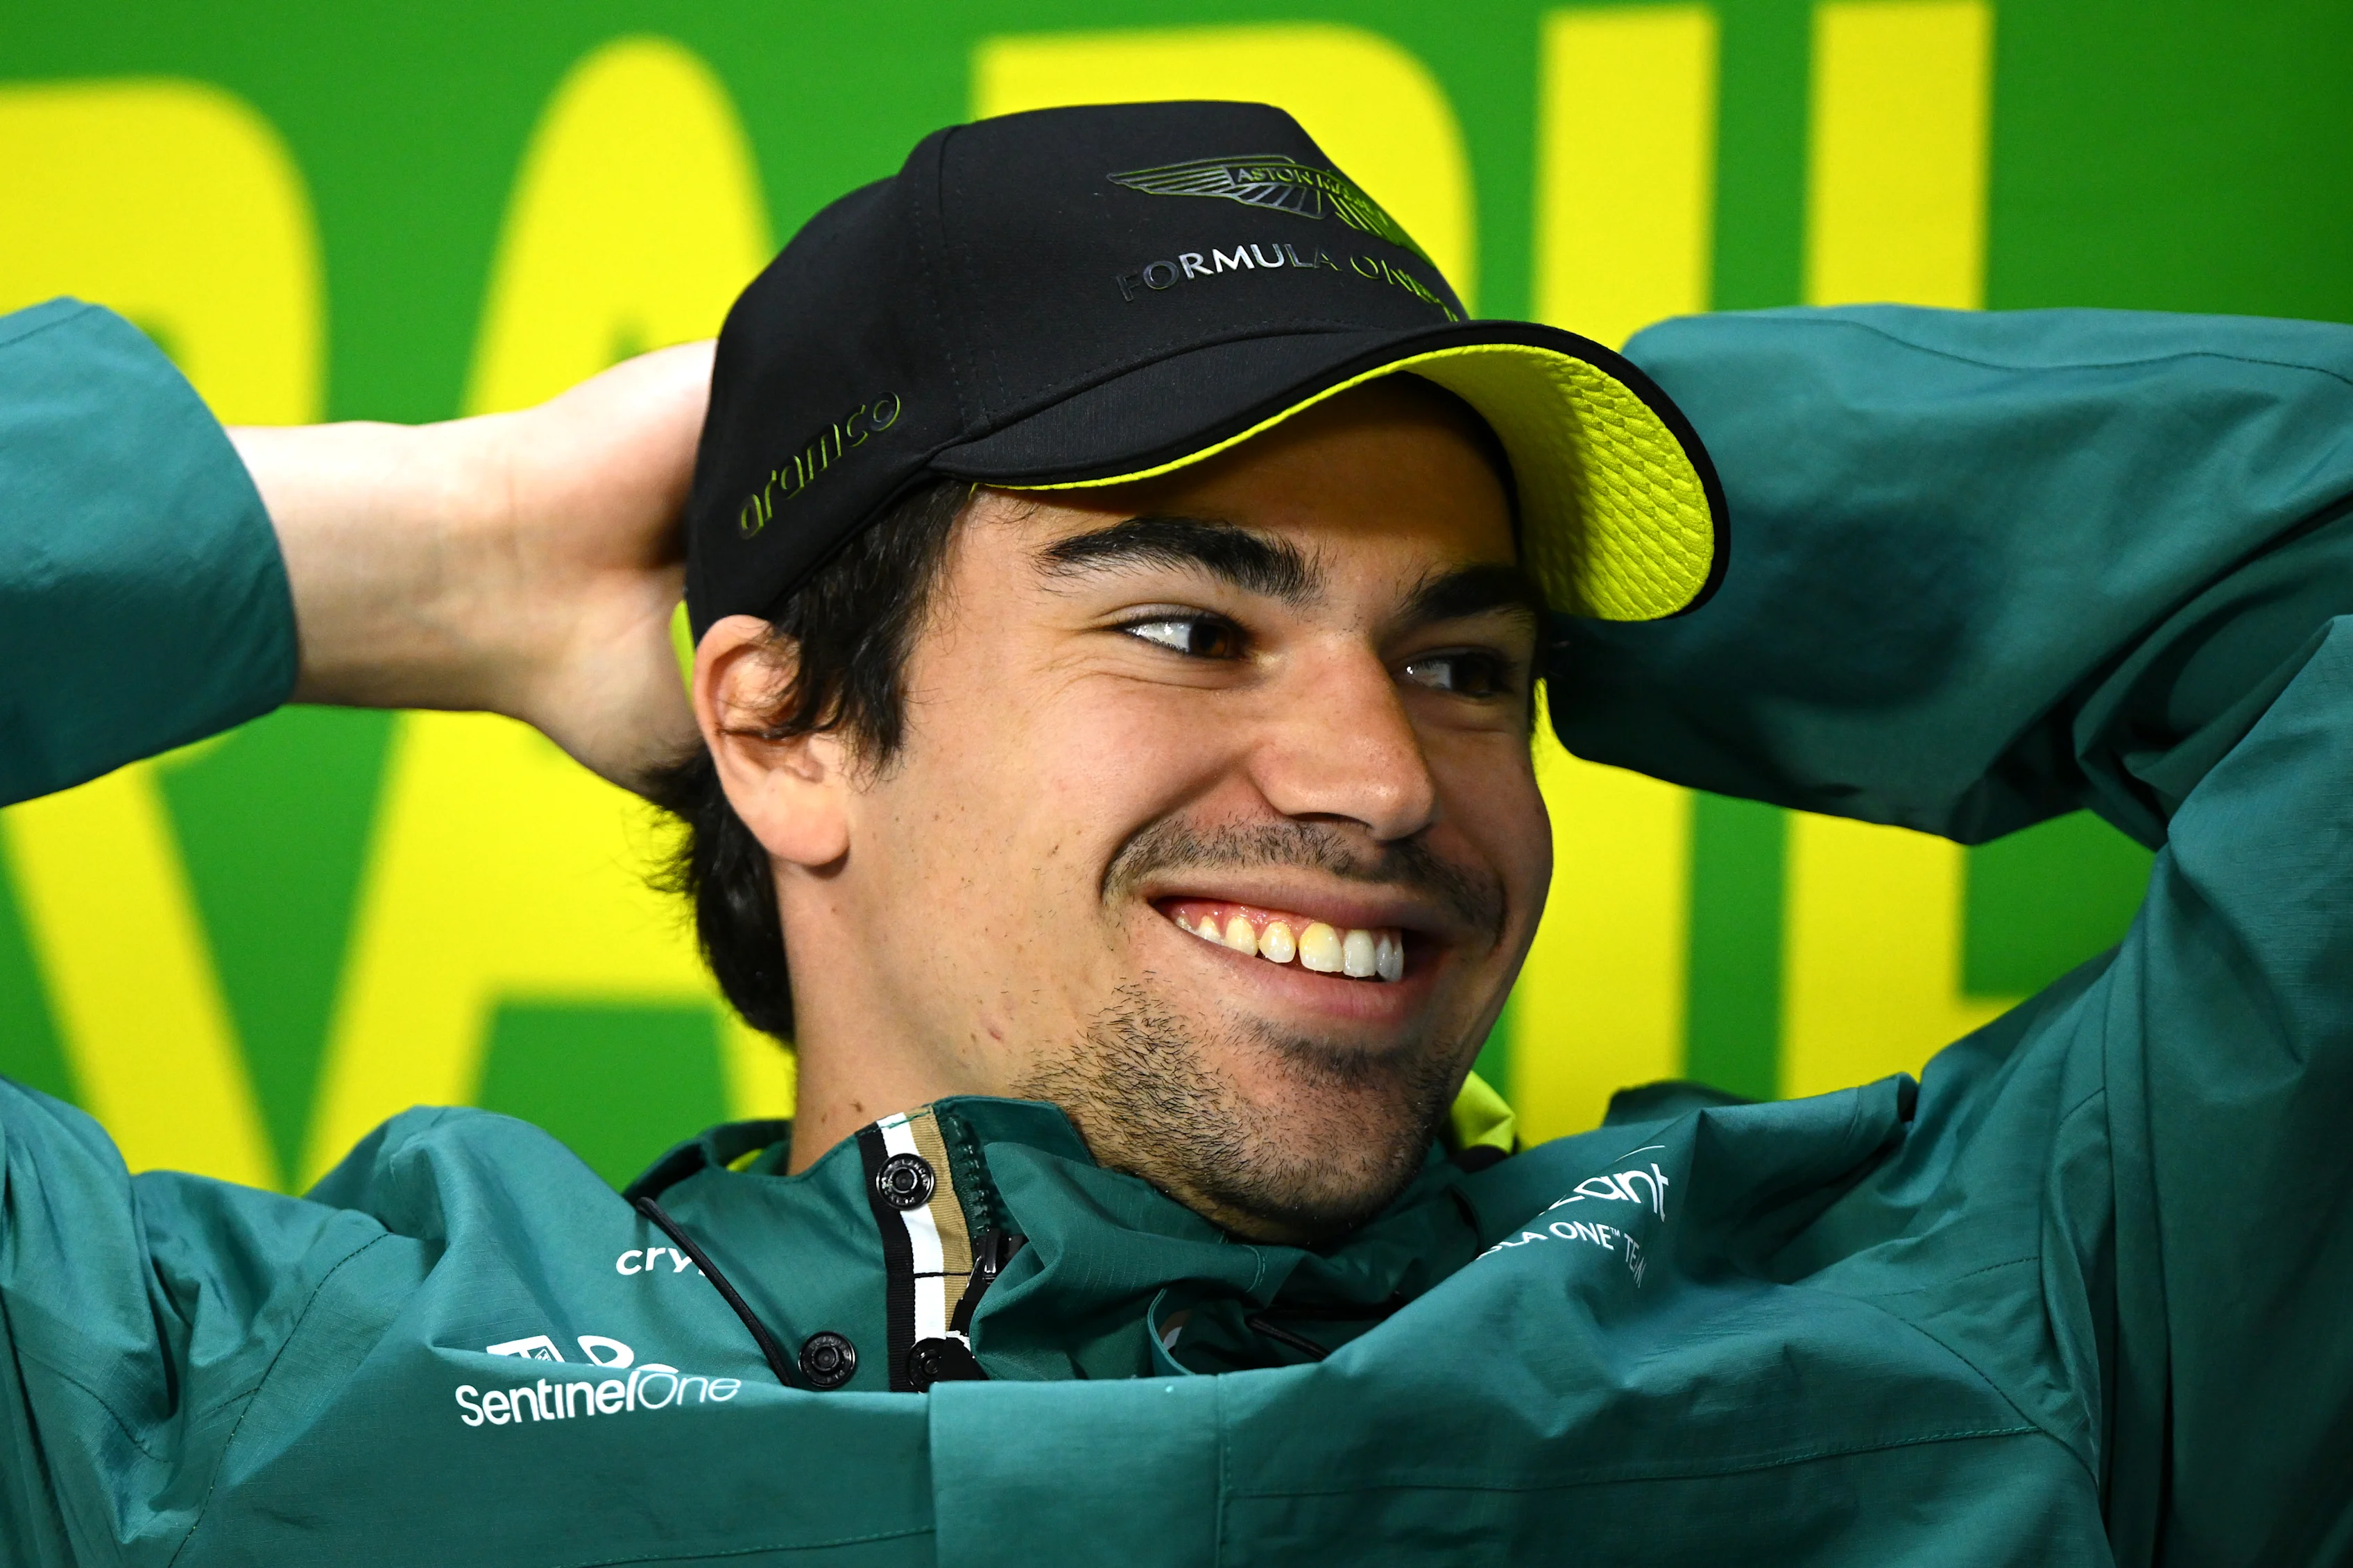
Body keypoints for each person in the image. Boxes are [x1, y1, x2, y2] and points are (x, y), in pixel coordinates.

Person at [1, 98, 2348, 1567]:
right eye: (1189, 629)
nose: (1382, 781)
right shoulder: (207, 1396)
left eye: (1468, 661)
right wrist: (432, 539)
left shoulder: (1971, 1308)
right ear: (791, 735)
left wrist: (1698, 544)